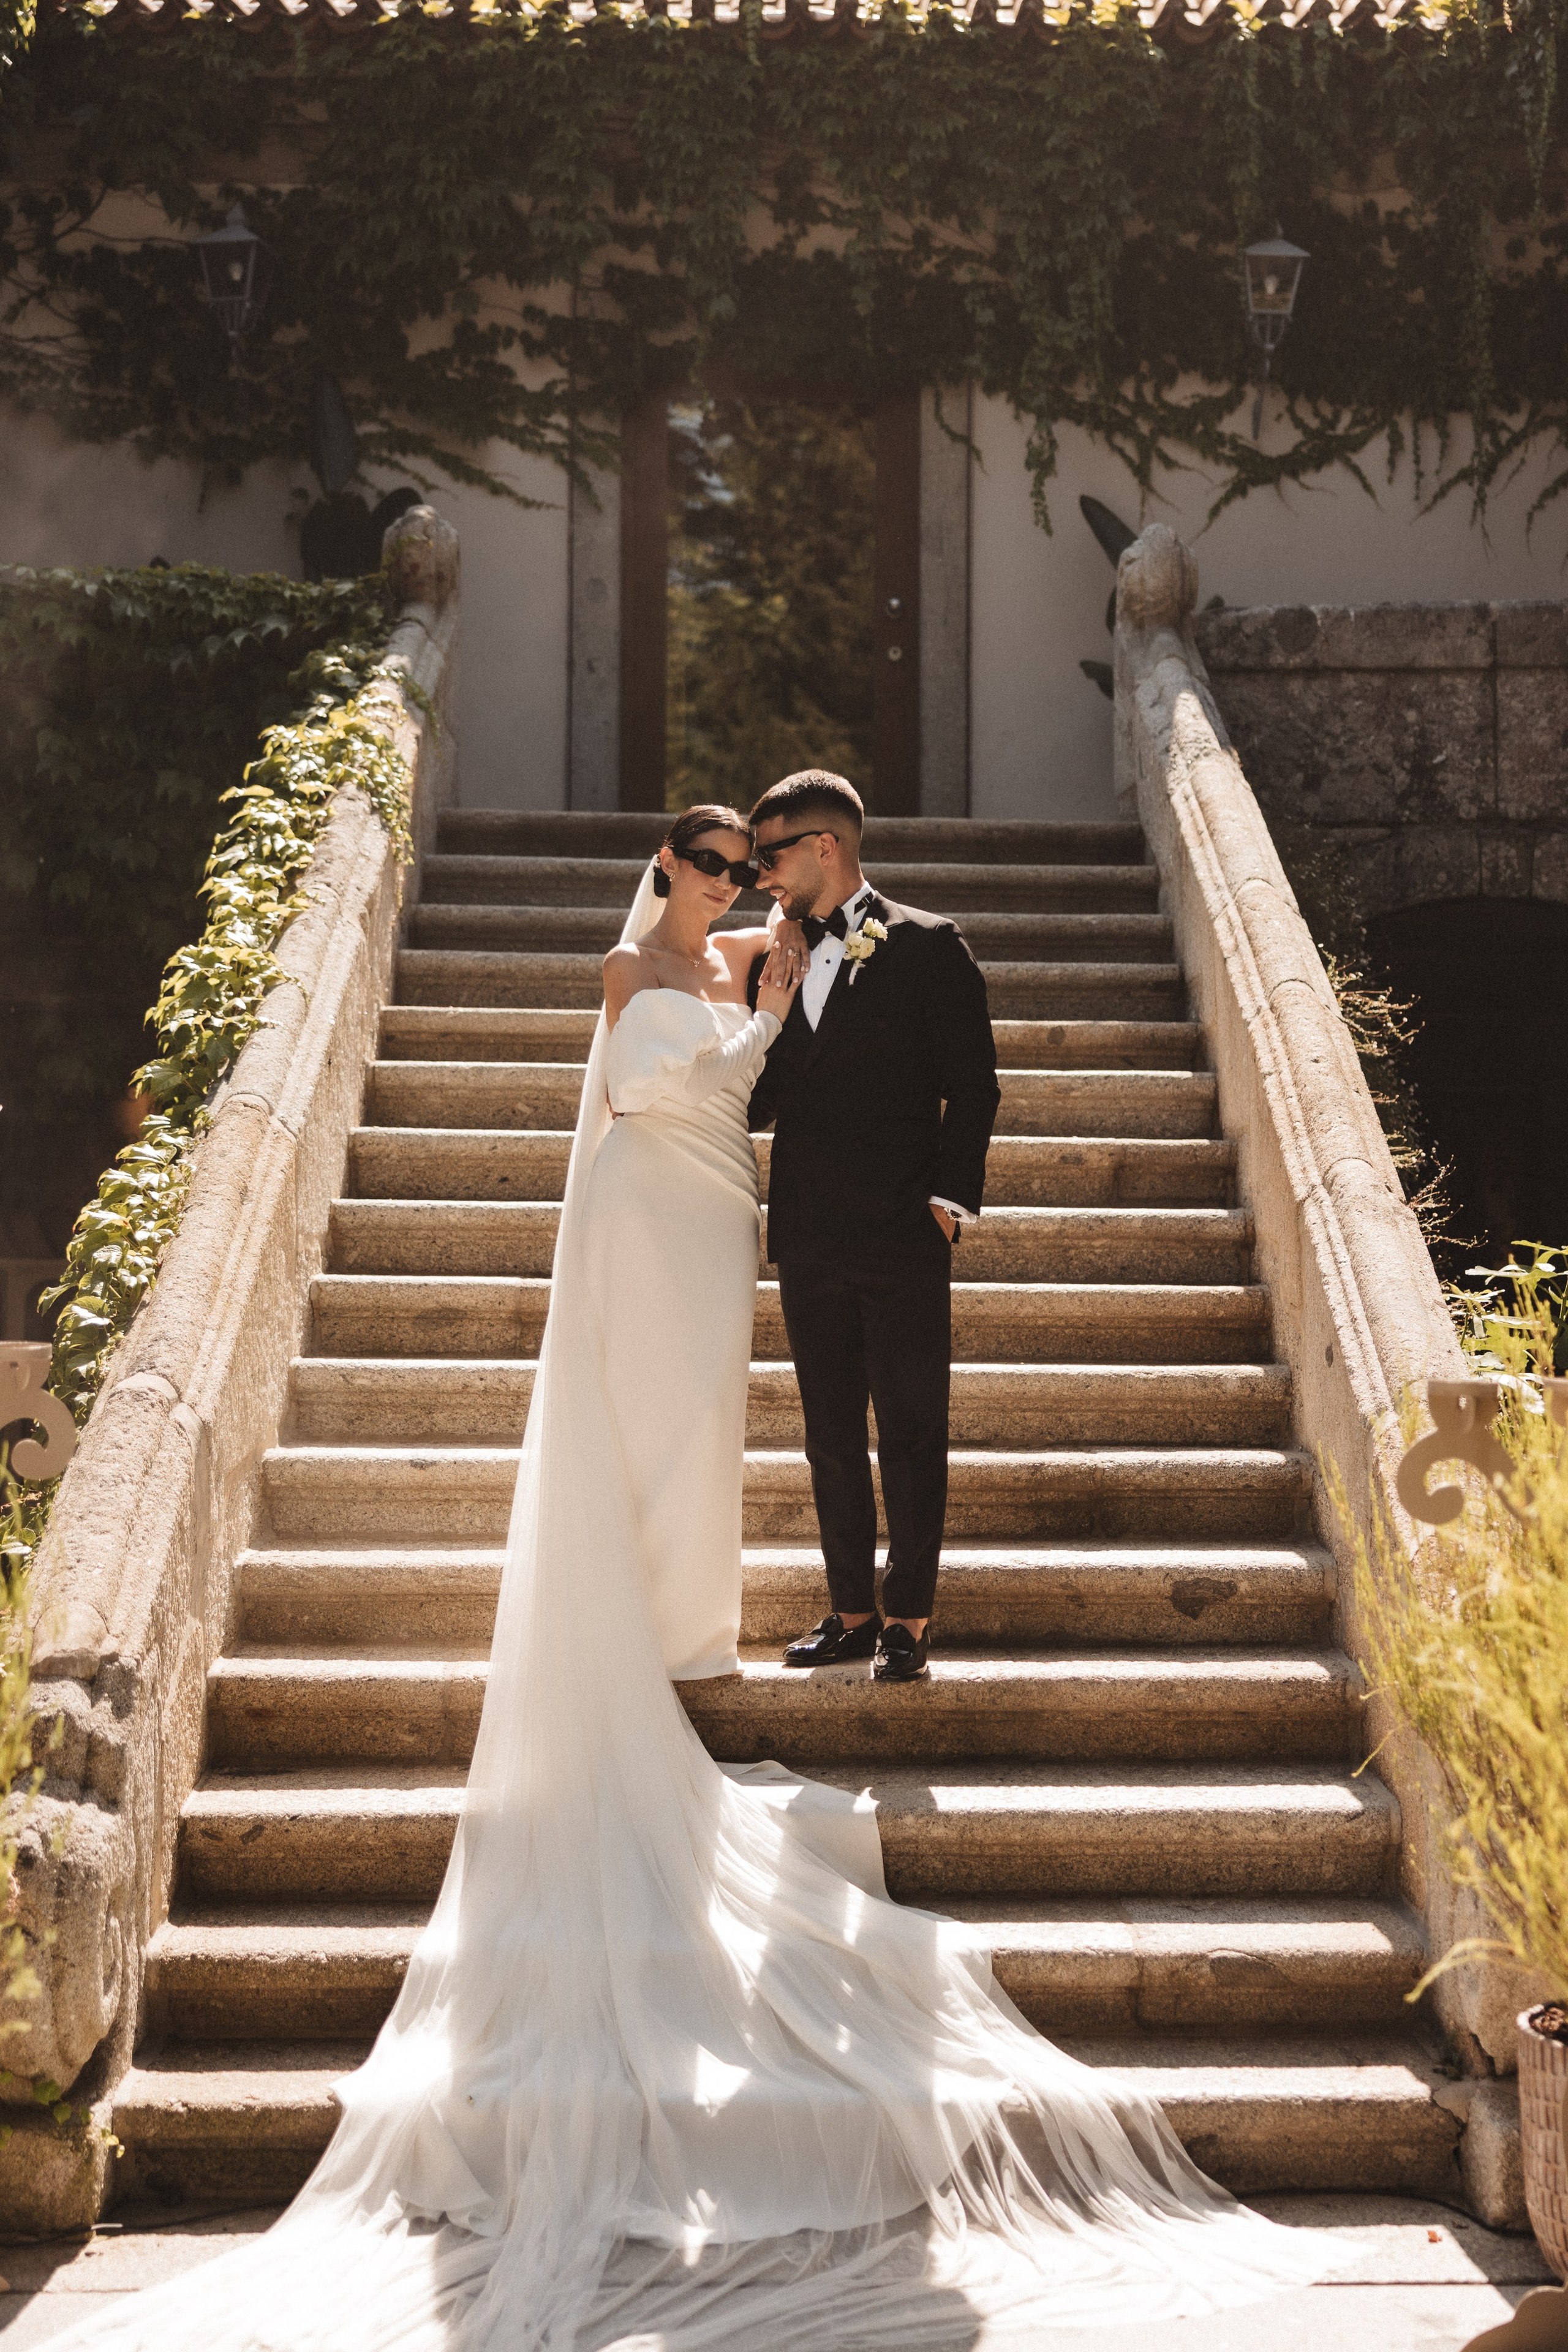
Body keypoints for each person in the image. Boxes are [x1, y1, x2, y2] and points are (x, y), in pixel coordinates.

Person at [44, 809, 1341, 2352]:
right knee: (661, 1430)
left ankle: (804, 1613)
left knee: (746, 1434)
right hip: (666, 1214)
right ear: (666, 869)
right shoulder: (631, 968)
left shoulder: (778, 948)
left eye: (752, 862)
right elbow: (707, 1067)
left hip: (738, 1215)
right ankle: (669, 1620)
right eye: (716, 864)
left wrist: (811, 1021)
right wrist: (769, 999)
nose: (737, 884)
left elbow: (841, 1035)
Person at [745, 771, 1000, 1684]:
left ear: (826, 846)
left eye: (770, 855)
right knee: (828, 1431)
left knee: (912, 1426)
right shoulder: (769, 957)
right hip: (808, 1230)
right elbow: (762, 1097)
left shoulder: (932, 947)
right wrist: (759, 1022)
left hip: (902, 1228)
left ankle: (909, 1620)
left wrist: (947, 1202)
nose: (757, 874)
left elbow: (973, 1085)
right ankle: (850, 1610)